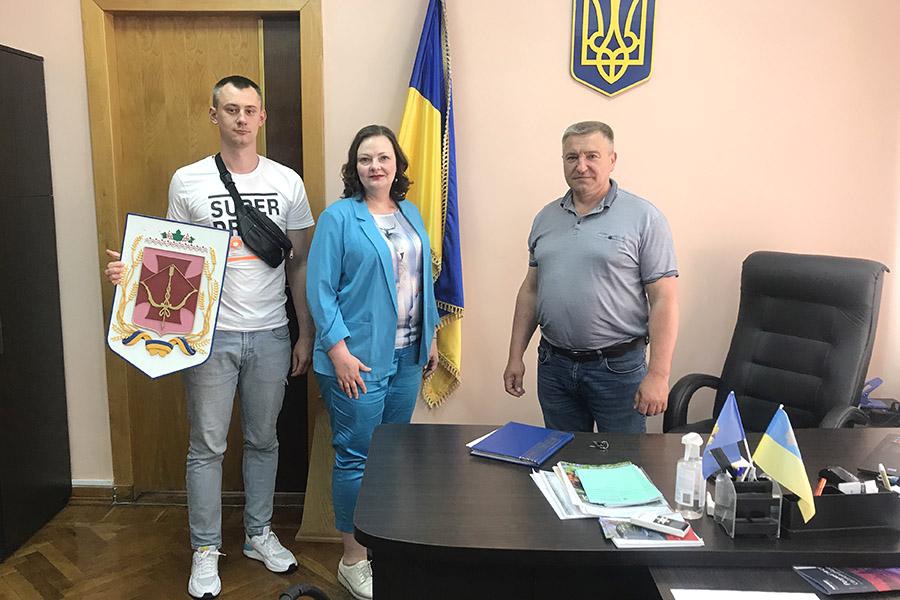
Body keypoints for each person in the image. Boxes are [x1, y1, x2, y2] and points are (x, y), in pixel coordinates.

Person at [104, 75, 314, 599]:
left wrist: (303, 334)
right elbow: (172, 257)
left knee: (264, 440)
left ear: (262, 117)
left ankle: (259, 534)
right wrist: (132, 274)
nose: (241, 118)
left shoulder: (287, 181)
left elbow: (299, 265)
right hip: (207, 339)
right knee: (207, 446)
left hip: (271, 332)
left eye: (250, 110)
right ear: (213, 115)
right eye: (231, 109)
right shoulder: (188, 180)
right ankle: (205, 548)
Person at [306, 124, 439, 600]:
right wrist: (338, 350)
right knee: (357, 457)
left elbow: (420, 281)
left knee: (389, 455)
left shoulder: (410, 213)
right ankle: (352, 560)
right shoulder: (339, 217)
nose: (375, 166)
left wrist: (430, 338)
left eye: (383, 158)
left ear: (397, 164)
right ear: (354, 167)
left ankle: (382, 547)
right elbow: (320, 289)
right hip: (356, 360)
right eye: (365, 159)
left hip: (407, 355)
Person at [503, 121, 678, 434]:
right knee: (563, 457)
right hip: (554, 366)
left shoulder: (644, 218)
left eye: (591, 156)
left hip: (618, 369)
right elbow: (531, 290)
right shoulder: (546, 217)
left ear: (612, 160)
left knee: (622, 460)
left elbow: (664, 299)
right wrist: (516, 356)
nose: (581, 166)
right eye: (572, 157)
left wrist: (659, 375)